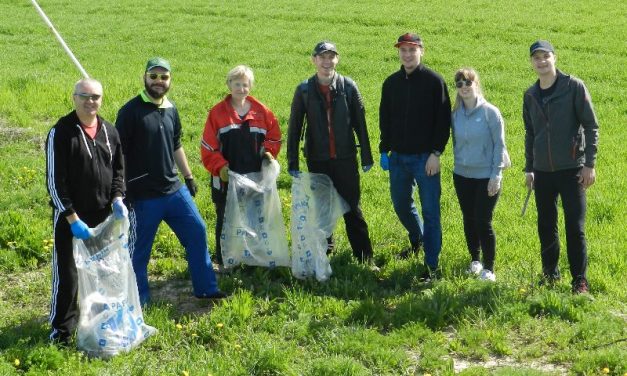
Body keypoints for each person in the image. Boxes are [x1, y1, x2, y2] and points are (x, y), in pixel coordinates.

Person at [115, 57, 226, 304]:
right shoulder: (130, 111)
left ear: (170, 80)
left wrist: (188, 176)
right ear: (144, 78)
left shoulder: (171, 109)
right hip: (143, 195)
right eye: (153, 76)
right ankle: (138, 300)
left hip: (174, 191)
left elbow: (176, 145)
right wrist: (120, 189)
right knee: (139, 251)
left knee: (197, 231)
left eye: (163, 77)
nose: (158, 81)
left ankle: (206, 288)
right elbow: (118, 152)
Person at [45, 78, 127, 345]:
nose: (90, 102)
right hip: (72, 220)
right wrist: (71, 217)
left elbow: (119, 171)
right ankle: (61, 333)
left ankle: (99, 324)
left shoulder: (110, 131)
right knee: (68, 277)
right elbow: (55, 182)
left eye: (96, 97)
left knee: (103, 273)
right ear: (74, 97)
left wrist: (117, 199)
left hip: (104, 217)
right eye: (85, 96)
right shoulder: (62, 131)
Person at [287, 41, 375, 265]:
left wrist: (366, 156)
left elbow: (360, 125)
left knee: (352, 209)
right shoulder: (304, 90)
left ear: (337, 59)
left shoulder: (348, 86)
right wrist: (293, 161)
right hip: (318, 159)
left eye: (331, 57)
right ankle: (324, 253)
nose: (327, 62)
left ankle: (365, 257)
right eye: (322, 57)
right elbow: (295, 127)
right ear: (314, 60)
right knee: (321, 210)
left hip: (345, 159)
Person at [523, 40, 599, 294]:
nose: (541, 61)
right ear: (532, 62)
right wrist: (529, 168)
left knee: (574, 228)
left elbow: (591, 125)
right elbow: (530, 133)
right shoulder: (530, 95)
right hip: (543, 172)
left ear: (554, 57)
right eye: (536, 58)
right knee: (545, 225)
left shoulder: (573, 86)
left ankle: (580, 280)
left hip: (572, 170)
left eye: (546, 56)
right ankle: (550, 274)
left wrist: (589, 164)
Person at [379, 33, 451, 281]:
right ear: (398, 53)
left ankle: (431, 265)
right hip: (398, 158)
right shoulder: (390, 83)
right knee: (401, 204)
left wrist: (436, 153)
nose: (407, 54)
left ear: (422, 51)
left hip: (425, 159)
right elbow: (385, 118)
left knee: (431, 211)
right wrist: (384, 149)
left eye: (412, 49)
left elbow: (443, 122)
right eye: (403, 50)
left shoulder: (434, 81)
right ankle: (417, 239)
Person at [201, 65, 281, 267]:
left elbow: (274, 137)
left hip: (256, 180)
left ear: (250, 86)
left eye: (245, 84)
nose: (241, 89)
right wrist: (221, 168)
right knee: (225, 219)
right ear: (229, 85)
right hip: (226, 180)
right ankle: (224, 260)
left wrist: (269, 153)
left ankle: (253, 258)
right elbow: (208, 147)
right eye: (236, 84)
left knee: (254, 219)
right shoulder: (217, 113)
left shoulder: (263, 112)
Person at [451, 68, 507, 282]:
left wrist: (496, 175)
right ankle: (475, 260)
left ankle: (489, 268)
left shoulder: (490, 112)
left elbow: (499, 146)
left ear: (476, 84)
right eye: (459, 84)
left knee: (483, 220)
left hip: (487, 176)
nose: (464, 87)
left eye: (468, 82)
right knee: (469, 218)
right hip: (462, 175)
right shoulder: (455, 115)